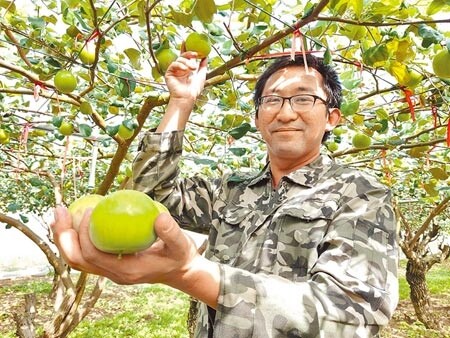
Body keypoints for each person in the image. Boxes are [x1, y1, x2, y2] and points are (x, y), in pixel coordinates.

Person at [52, 51, 399, 337]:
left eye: (303, 99)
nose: (286, 112)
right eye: (272, 100)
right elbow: (152, 192)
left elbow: (347, 316)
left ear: (331, 118)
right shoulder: (232, 190)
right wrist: (181, 102)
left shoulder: (361, 196)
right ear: (259, 117)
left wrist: (189, 273)